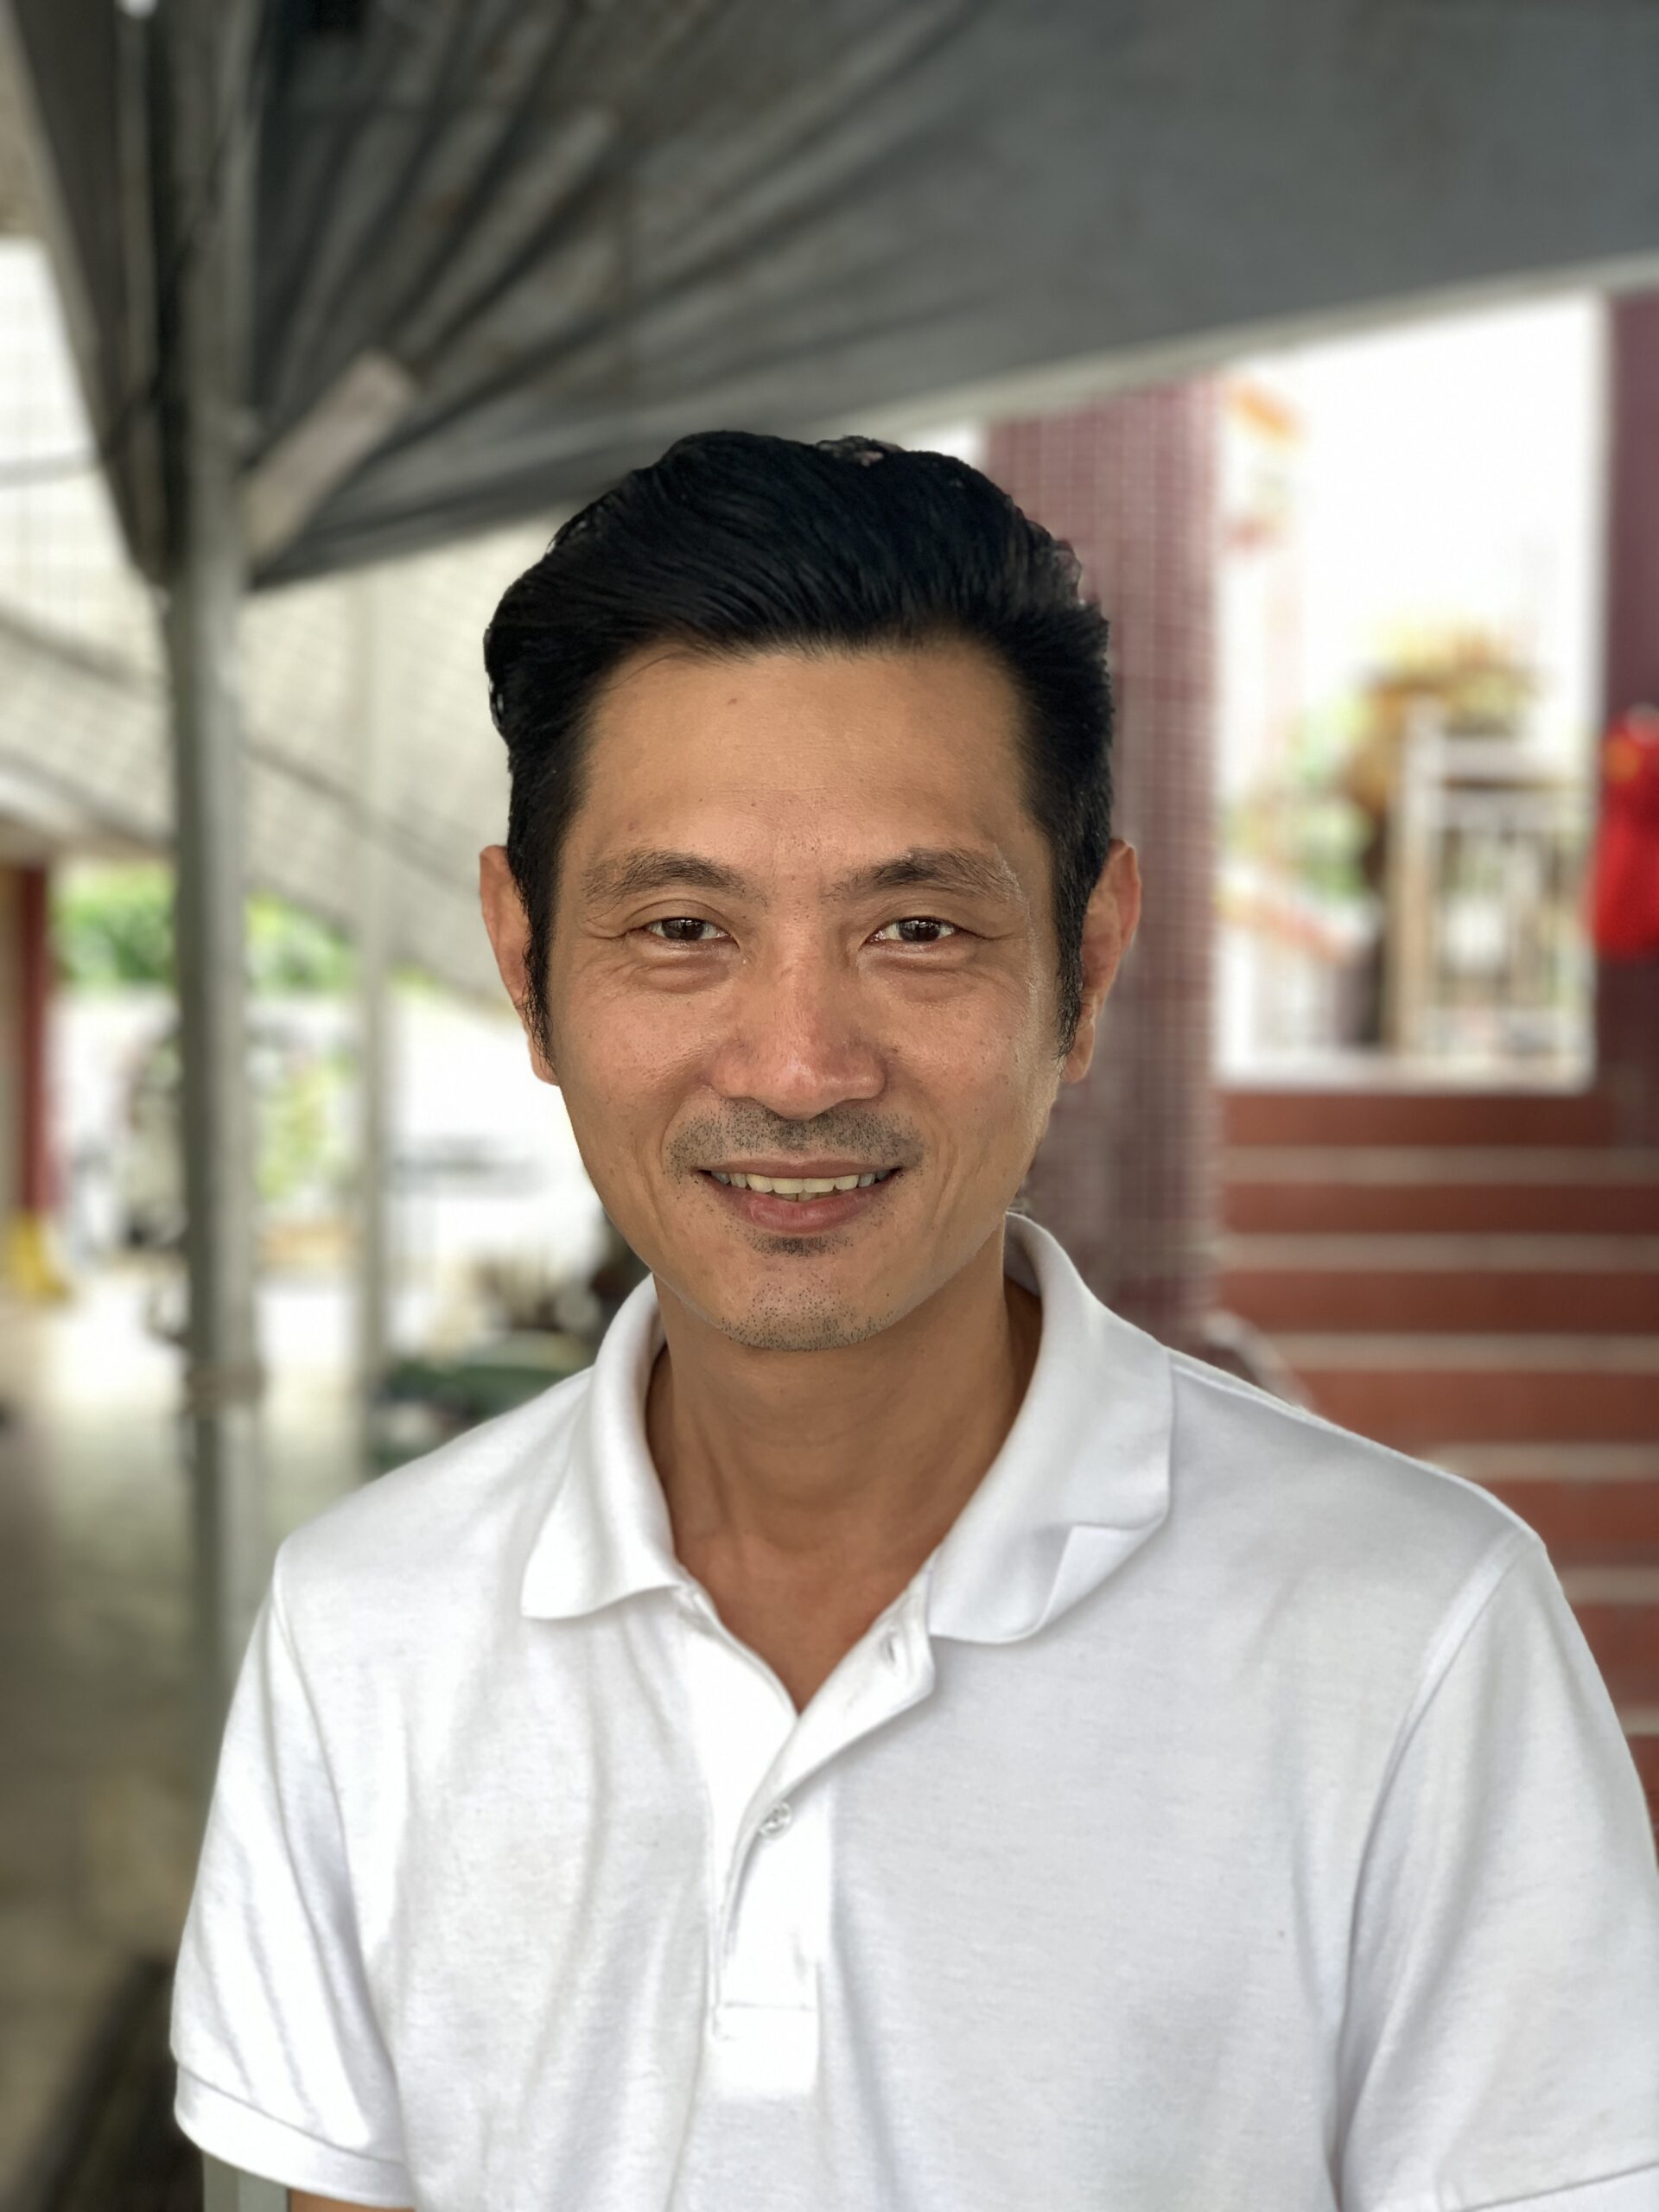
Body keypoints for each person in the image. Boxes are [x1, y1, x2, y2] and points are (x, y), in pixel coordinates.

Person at [170, 430, 1659, 2212]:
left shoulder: (1414, 1638)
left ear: (1087, 964)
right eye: (681, 925)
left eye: (921, 928)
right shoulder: (363, 1627)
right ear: (524, 960)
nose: (799, 1066)